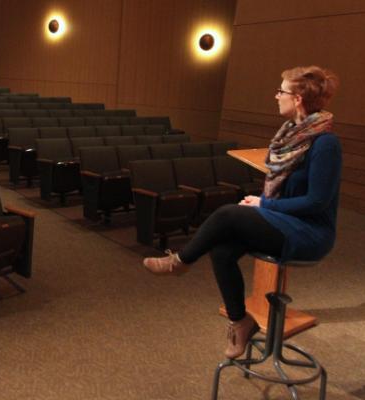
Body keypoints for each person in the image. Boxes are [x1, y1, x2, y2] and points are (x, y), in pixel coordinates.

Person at [142, 66, 342, 359]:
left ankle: (180, 261)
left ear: (297, 98)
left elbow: (316, 202)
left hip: (309, 232)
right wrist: (265, 203)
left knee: (228, 214)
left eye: (281, 91)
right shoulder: (289, 135)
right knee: (221, 251)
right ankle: (240, 323)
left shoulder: (325, 143)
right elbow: (284, 190)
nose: (277, 96)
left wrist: (264, 204)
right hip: (284, 221)